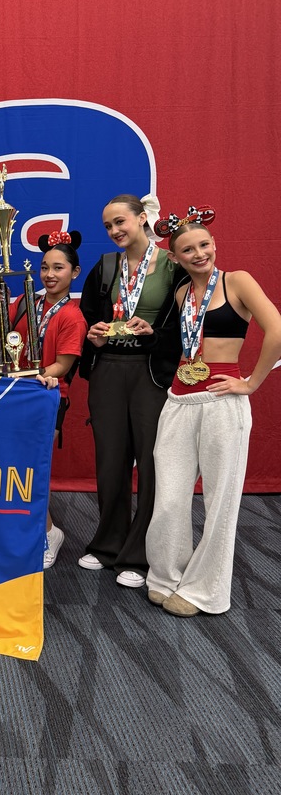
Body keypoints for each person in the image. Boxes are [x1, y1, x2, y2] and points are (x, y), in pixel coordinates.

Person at [145, 207, 281, 616]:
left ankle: (205, 591)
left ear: (214, 244)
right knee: (169, 495)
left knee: (221, 499)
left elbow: (276, 329)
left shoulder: (237, 281)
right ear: (176, 258)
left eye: (204, 244)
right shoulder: (183, 293)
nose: (199, 253)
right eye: (188, 249)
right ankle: (166, 574)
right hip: (179, 399)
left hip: (223, 401)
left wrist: (252, 382)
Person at [78, 194, 187, 587]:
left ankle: (141, 556)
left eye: (120, 222)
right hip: (109, 370)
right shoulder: (106, 266)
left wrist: (154, 335)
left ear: (143, 219)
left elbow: (186, 322)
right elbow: (89, 315)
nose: (114, 231)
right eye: (107, 226)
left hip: (152, 374)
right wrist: (93, 334)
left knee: (153, 463)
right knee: (110, 462)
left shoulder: (173, 267)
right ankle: (108, 546)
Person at [9, 231, 87, 569]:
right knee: (14, 466)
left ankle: (50, 532)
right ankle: (28, 528)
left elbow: (63, 365)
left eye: (58, 268)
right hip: (18, 394)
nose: (50, 275)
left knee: (33, 469)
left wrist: (30, 376)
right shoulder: (25, 302)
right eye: (44, 267)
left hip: (47, 398)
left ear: (75, 272)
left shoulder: (73, 316)